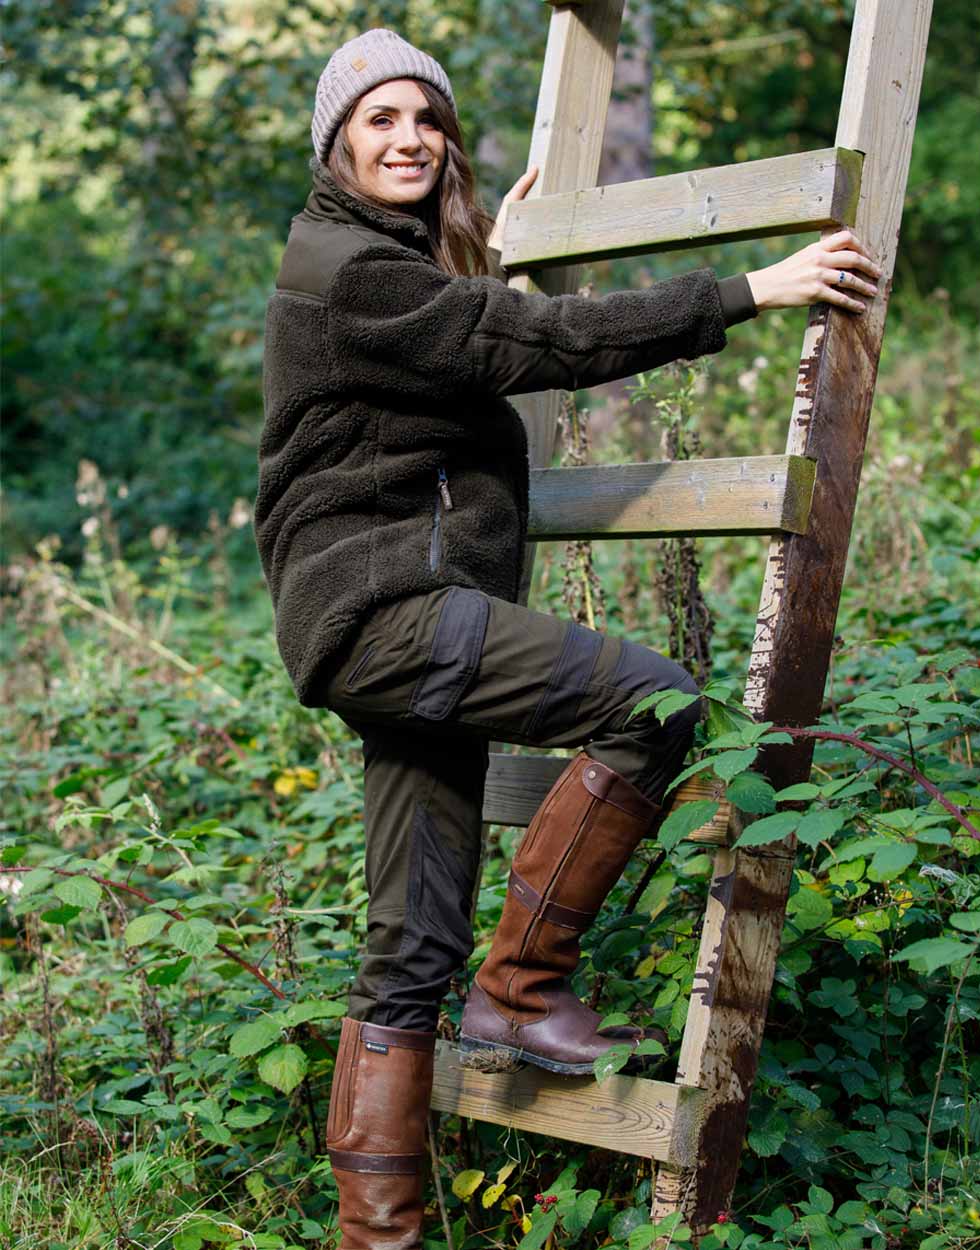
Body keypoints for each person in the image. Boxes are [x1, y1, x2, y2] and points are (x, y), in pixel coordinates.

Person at [253, 26, 881, 1249]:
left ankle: (376, 1234)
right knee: (652, 704)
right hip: (390, 608)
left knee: (405, 947)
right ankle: (521, 987)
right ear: (334, 143)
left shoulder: (378, 263)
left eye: (427, 120)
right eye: (379, 121)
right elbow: (524, 341)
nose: (410, 139)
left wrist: (485, 242)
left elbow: (463, 315)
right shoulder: (356, 272)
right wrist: (750, 290)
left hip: (368, 620)